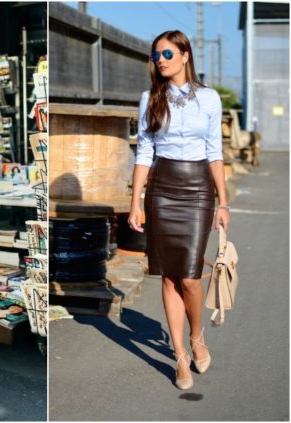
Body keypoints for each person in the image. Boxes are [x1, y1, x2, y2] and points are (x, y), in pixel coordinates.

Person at [127, 30, 229, 391]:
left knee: (190, 277)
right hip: (162, 189)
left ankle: (197, 335)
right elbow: (144, 153)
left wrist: (223, 203)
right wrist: (135, 202)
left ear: (185, 55)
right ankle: (180, 354)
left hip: (199, 188)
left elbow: (215, 152)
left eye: (168, 54)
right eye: (156, 56)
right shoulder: (149, 99)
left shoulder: (209, 98)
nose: (161, 61)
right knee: (169, 276)